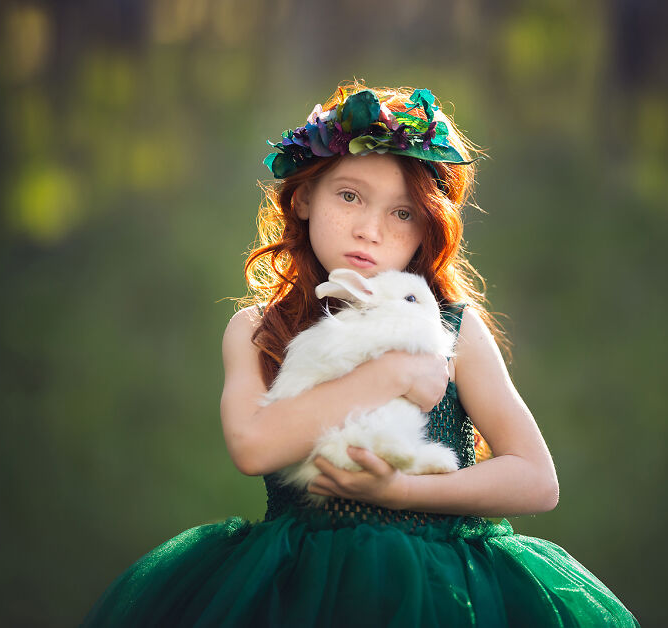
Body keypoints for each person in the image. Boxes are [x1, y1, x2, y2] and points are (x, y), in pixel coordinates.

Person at [82, 83, 639, 627]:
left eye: (403, 213)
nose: (371, 230)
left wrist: (400, 491)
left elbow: (537, 481)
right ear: (303, 198)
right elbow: (254, 446)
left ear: (427, 228)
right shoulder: (258, 329)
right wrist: (392, 372)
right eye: (349, 196)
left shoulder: (451, 329)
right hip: (298, 584)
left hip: (443, 586)